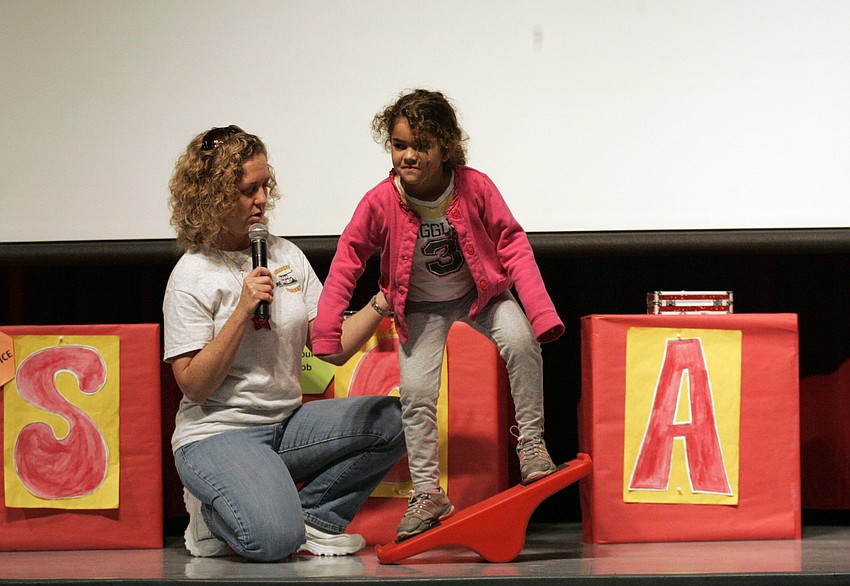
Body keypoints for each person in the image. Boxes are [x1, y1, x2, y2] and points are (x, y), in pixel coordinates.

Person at [311, 90, 564, 540]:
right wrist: (327, 331)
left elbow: (513, 244)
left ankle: (530, 443)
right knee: (416, 393)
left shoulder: (474, 186)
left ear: (445, 146)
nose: (408, 155)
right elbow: (349, 257)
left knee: (522, 342)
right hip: (421, 307)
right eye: (398, 144)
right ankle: (428, 493)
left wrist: (540, 312)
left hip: (480, 295)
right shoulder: (380, 200)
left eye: (420, 145)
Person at [163, 125, 406, 562]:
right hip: (218, 434)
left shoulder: (286, 255)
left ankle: (315, 517)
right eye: (246, 190)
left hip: (286, 425)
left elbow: (330, 347)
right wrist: (241, 312)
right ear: (212, 196)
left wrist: (383, 300)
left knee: (398, 419)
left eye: (264, 186)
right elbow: (194, 387)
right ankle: (209, 515)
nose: (260, 200)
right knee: (273, 543)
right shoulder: (191, 274)